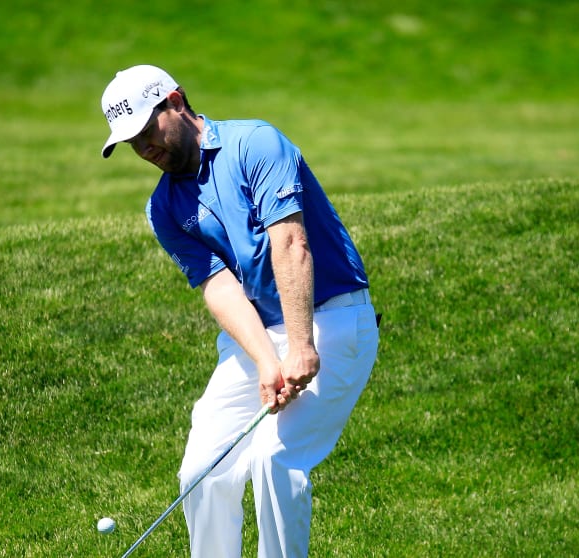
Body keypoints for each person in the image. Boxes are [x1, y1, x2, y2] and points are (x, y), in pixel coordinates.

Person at [99, 64, 379, 558]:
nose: (145, 149)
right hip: (259, 336)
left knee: (276, 457)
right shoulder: (162, 208)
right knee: (202, 468)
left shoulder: (255, 143)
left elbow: (290, 243)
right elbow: (219, 286)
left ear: (177, 101)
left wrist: (299, 348)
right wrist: (268, 362)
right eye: (132, 143)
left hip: (332, 317)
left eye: (148, 130)